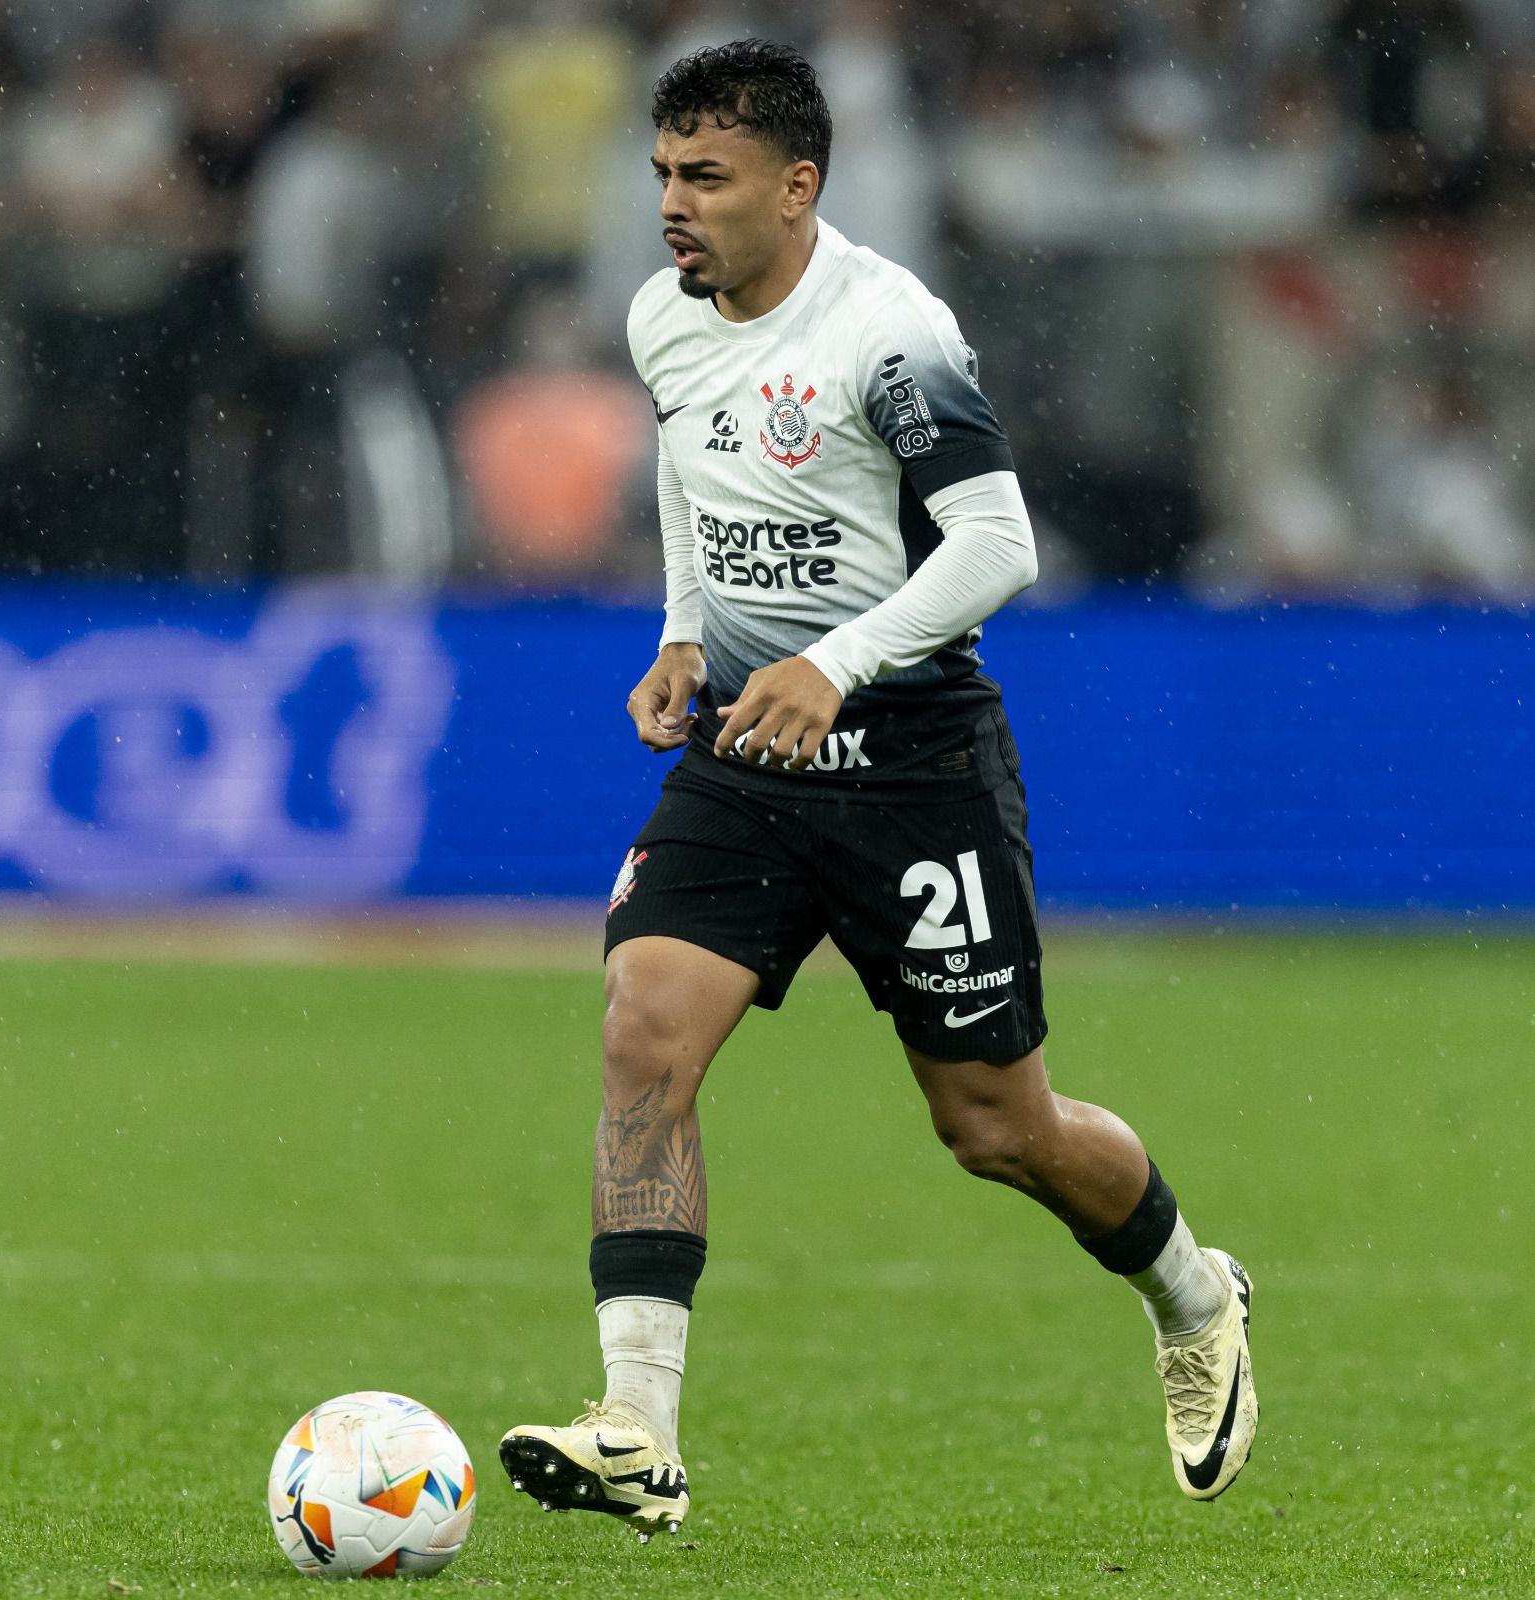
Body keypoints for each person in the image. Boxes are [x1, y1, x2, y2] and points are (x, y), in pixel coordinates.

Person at [500, 38, 1258, 1538]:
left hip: (910, 757)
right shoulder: (664, 316)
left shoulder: (890, 328)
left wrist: (836, 664)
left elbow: (995, 546)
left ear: (798, 187)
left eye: (703, 178)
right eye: (660, 173)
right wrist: (682, 631)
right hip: (747, 754)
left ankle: (1192, 1291)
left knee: (993, 1126)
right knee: (645, 1028)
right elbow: (685, 469)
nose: (671, 204)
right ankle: (635, 1428)